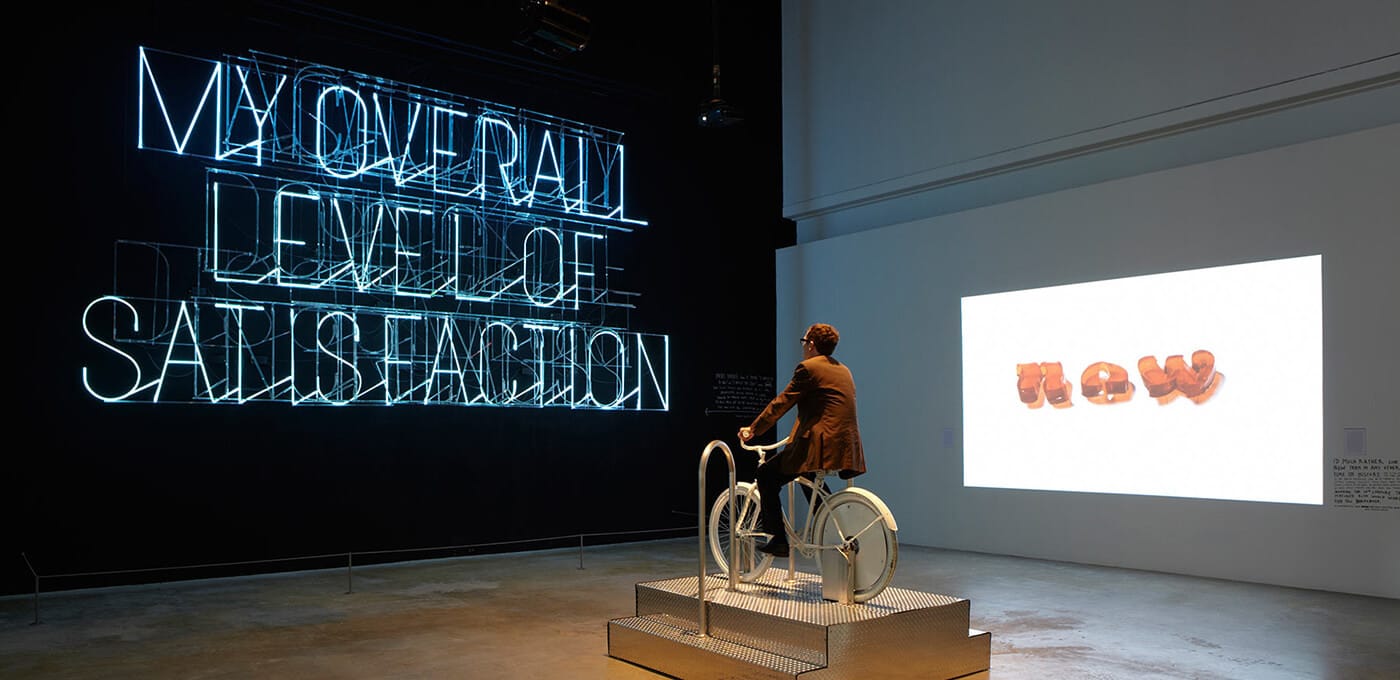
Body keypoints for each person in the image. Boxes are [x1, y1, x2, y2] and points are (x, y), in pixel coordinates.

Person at [738, 322, 865, 558]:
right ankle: (828, 526)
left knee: (766, 475)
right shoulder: (843, 370)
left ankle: (777, 539)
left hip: (818, 444)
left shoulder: (808, 368)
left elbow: (782, 403)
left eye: (804, 341)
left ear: (811, 345)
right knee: (807, 474)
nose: (803, 346)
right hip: (845, 447)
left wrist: (753, 429)